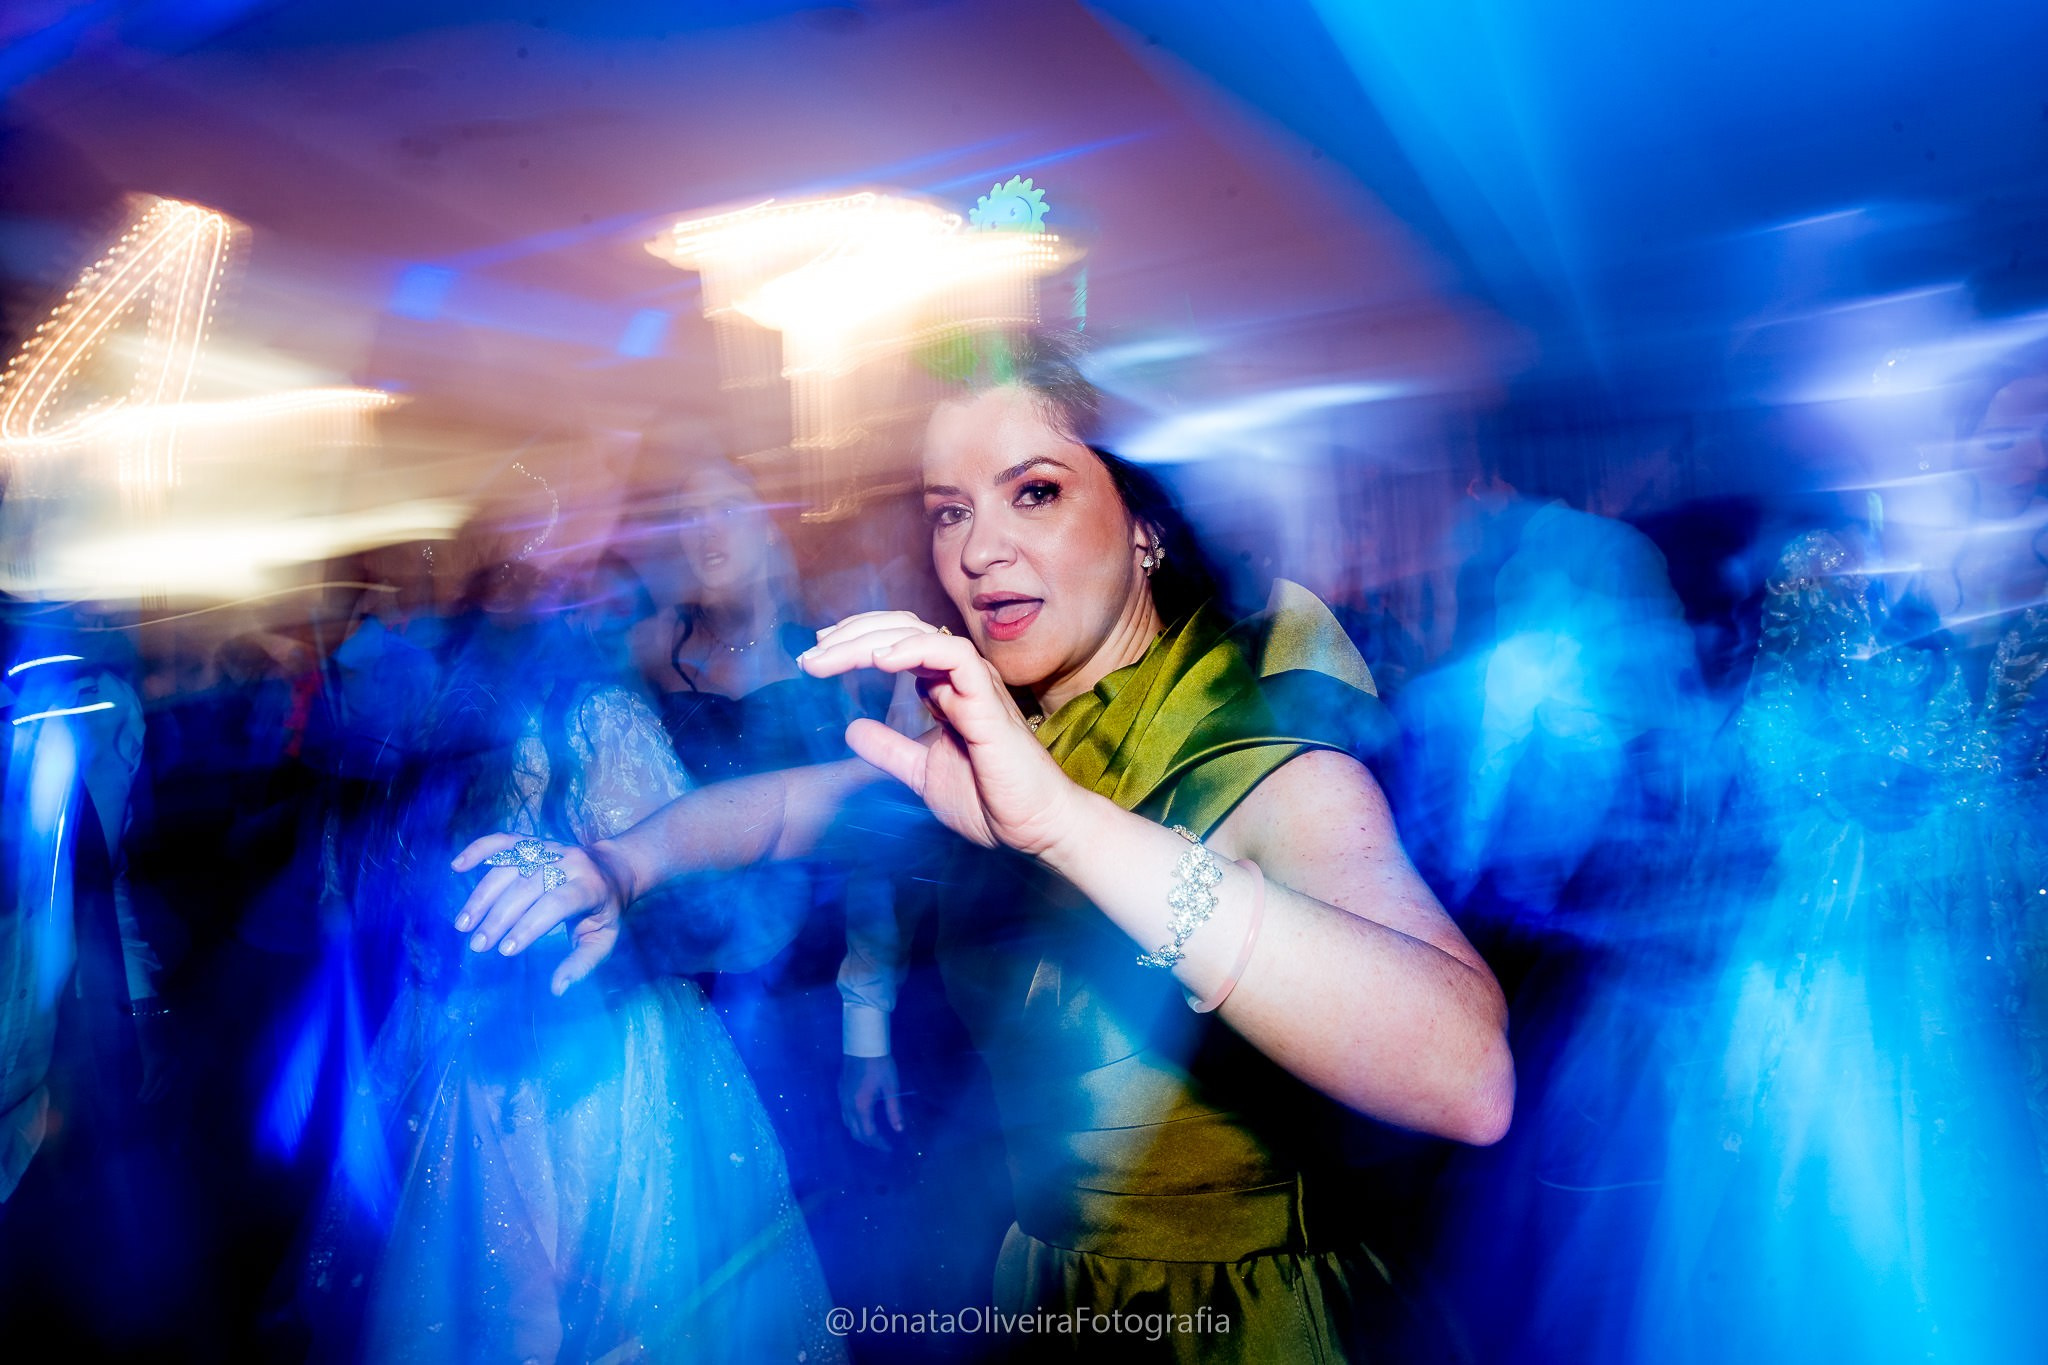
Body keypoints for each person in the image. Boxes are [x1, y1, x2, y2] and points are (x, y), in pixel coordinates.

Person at [454, 331, 1514, 1361]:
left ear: (1143, 527)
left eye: (1035, 492)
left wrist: (1063, 824)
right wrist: (620, 864)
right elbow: (780, 809)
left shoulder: (1250, 750)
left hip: (1244, 1321)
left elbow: (1466, 1078)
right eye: (948, 511)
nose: (976, 549)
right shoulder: (989, 736)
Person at [300, 539, 843, 1365]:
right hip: (605, 1042)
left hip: (464, 1031)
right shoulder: (600, 716)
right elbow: (695, 894)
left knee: (491, 1294)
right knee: (630, 1295)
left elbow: (385, 887)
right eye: (594, 604)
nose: (615, 621)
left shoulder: (438, 718)